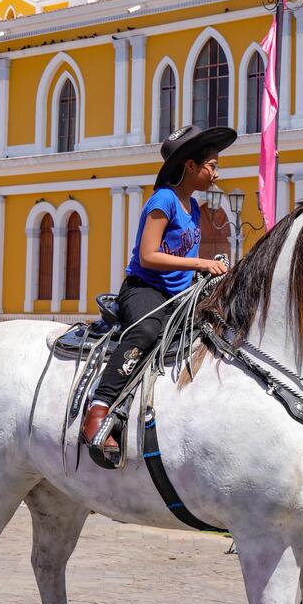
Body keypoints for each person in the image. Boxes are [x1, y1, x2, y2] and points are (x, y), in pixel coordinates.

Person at [81, 123, 236, 451]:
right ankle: (98, 407)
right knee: (147, 330)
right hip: (144, 289)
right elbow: (148, 256)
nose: (216, 174)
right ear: (190, 166)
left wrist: (205, 277)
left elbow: (184, 261)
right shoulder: (163, 200)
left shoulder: (192, 207)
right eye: (212, 166)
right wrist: (200, 264)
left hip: (177, 295)